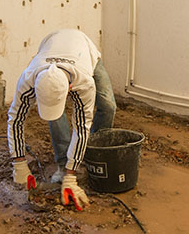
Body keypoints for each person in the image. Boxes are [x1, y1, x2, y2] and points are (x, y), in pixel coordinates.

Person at [6, 28, 116, 210]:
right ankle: (64, 164)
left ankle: (92, 156)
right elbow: (15, 119)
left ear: (70, 88)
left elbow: (81, 127)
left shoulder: (84, 82)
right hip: (51, 45)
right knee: (55, 118)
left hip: (84, 51)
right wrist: (18, 162)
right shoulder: (28, 79)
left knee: (108, 106)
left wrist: (71, 178)